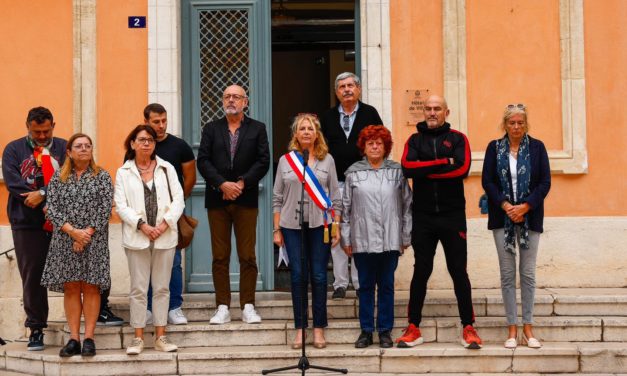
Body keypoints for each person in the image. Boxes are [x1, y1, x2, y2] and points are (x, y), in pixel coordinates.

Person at [398, 95, 482, 349]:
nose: (432, 112)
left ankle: (468, 326)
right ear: (423, 112)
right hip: (423, 216)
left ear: (446, 111)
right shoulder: (414, 140)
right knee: (421, 271)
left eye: (437, 109)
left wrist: (425, 167)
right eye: (428, 109)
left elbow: (462, 169)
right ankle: (413, 327)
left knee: (458, 271)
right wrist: (443, 162)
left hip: (452, 215)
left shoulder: (458, 138)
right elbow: (407, 168)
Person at [197, 85, 270, 325]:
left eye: (236, 97)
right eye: (227, 96)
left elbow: (263, 161)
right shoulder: (211, 128)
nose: (231, 100)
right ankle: (222, 306)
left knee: (247, 254)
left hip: (245, 198)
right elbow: (203, 161)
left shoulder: (257, 128)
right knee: (220, 256)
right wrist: (222, 184)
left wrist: (241, 183)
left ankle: (248, 305)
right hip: (217, 199)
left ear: (245, 102)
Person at [481, 104, 551, 349]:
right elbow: (487, 181)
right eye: (512, 123)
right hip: (502, 218)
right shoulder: (494, 148)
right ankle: (512, 329)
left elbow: (545, 182)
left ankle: (528, 328)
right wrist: (506, 205)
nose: (516, 127)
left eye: (521, 123)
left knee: (528, 274)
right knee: (508, 274)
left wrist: (525, 207)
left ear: (526, 124)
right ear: (505, 124)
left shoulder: (537, 147)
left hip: (530, 217)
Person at [272, 113, 341, 349]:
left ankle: (319, 328)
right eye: (302, 128)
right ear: (295, 134)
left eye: (310, 128)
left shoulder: (327, 160)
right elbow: (277, 197)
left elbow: (335, 197)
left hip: (320, 225)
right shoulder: (285, 161)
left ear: (317, 133)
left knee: (320, 276)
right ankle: (301, 329)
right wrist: (276, 229)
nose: (306, 132)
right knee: (298, 276)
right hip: (291, 226)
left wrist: (336, 227)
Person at [40, 133, 113, 357]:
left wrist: (85, 235)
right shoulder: (58, 178)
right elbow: (52, 207)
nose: (84, 149)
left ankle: (89, 337)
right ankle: (74, 339)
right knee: (71, 286)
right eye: (78, 146)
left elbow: (105, 207)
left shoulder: (102, 176)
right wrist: (73, 233)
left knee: (91, 286)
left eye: (87, 146)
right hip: (64, 240)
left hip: (94, 240)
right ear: (69, 152)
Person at [114, 125, 184, 355]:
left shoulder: (167, 168)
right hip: (137, 237)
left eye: (150, 140)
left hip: (165, 236)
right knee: (138, 289)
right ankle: (137, 338)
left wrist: (164, 224)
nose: (147, 144)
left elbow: (179, 200)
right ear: (132, 143)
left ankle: (161, 336)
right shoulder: (124, 172)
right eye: (142, 140)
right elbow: (120, 205)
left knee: (162, 288)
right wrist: (142, 225)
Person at [2, 106, 67, 351]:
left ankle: (94, 314)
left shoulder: (63, 147)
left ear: (53, 126)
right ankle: (36, 327)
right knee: (32, 276)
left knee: (80, 268)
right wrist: (35, 199)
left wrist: (43, 194)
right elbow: (13, 182)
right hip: (26, 222)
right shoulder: (13, 149)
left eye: (46, 131)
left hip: (64, 221)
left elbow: (70, 178)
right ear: (27, 126)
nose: (42, 136)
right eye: (37, 131)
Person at [341, 125, 412, 349]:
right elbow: (345, 209)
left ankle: (384, 331)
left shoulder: (396, 172)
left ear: (386, 147)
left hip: (391, 239)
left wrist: (405, 235)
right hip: (362, 239)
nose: (374, 146)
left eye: (379, 143)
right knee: (365, 286)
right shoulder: (353, 172)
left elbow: (407, 206)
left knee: (387, 285)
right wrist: (346, 238)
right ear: (363, 146)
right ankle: (365, 331)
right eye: (370, 143)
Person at [320, 72, 383, 300]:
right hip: (333, 184)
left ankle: (359, 282)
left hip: (362, 182)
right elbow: (319, 149)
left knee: (359, 231)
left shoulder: (370, 113)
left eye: (350, 86)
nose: (346, 90)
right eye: (342, 87)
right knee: (335, 232)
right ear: (336, 92)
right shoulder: (326, 117)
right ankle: (339, 283)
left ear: (359, 89)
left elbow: (381, 144)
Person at [143, 103, 197, 326]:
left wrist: (177, 204)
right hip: (144, 215)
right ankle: (147, 308)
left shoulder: (179, 146)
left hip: (171, 215)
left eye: (164, 120)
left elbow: (190, 177)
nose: (161, 125)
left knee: (173, 261)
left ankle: (175, 307)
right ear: (146, 121)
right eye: (156, 121)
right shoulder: (139, 145)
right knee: (145, 261)